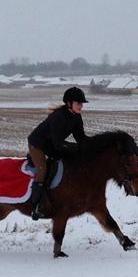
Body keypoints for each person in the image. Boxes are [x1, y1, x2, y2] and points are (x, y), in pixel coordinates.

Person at [26, 86, 89, 220]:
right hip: (38, 145)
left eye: (82, 103)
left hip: (52, 145)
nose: (81, 106)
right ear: (69, 103)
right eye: (78, 103)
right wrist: (77, 148)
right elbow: (58, 144)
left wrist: (95, 144)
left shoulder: (76, 117)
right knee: (42, 170)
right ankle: (35, 206)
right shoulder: (58, 117)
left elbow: (81, 138)